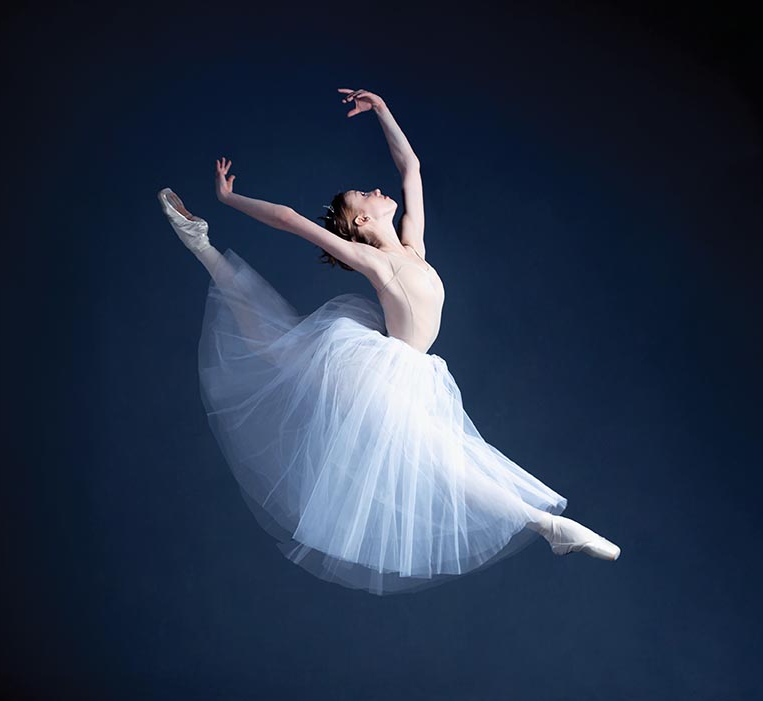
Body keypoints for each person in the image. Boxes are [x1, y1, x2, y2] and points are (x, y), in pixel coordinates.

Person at [158, 87, 620, 595]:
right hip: (379, 374)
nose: (377, 190)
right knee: (441, 459)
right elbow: (290, 219)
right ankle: (549, 527)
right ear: (362, 221)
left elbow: (411, 166)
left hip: (408, 370)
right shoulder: (377, 262)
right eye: (365, 195)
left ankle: (201, 245)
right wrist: (228, 198)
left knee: (283, 353)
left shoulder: (413, 246)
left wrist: (381, 110)